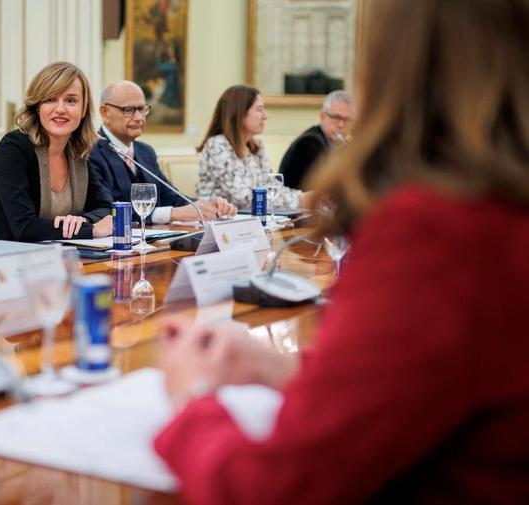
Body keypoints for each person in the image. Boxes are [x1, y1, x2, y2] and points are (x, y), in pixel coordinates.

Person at [154, 0, 529, 503]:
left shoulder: (438, 228)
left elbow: (274, 489)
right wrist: (277, 369)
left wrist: (190, 398)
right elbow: (426, 379)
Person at [0, 62, 113, 242]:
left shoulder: (77, 151)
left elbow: (104, 207)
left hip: (55, 257)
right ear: (37, 107)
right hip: (0, 259)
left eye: (71, 100)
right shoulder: (13, 148)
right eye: (50, 99)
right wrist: (90, 230)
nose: (61, 109)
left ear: (83, 109)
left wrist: (84, 220)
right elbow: (24, 227)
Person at [90, 80, 236, 224]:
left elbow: (171, 197)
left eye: (142, 109)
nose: (139, 117)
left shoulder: (145, 151)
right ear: (105, 113)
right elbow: (108, 210)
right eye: (128, 110)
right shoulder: (90, 152)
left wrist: (206, 206)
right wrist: (171, 214)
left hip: (157, 239)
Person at [196, 85, 308, 210]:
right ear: (240, 113)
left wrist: (304, 197)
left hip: (249, 220)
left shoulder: (256, 147)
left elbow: (273, 188)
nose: (265, 116)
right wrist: (301, 200)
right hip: (218, 222)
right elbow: (244, 198)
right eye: (259, 109)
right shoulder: (217, 146)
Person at [278, 89, 355, 189]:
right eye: (336, 117)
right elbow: (328, 187)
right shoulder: (309, 143)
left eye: (347, 120)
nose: (341, 125)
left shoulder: (340, 145)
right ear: (322, 116)